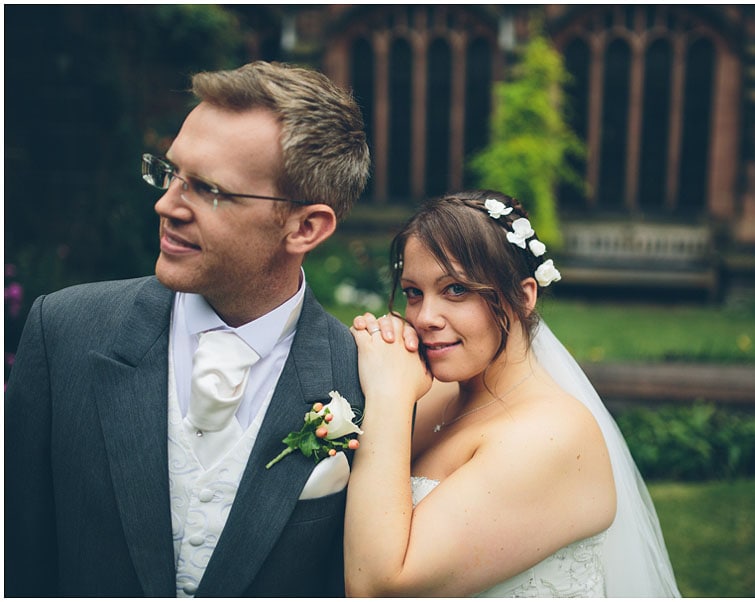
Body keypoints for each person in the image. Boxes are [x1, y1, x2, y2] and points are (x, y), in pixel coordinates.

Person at [5, 61, 372, 597]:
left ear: (305, 226)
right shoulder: (62, 332)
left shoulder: (366, 381)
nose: (165, 205)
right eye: (170, 173)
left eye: (208, 190)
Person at [345, 190, 680, 597]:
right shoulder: (432, 397)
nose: (424, 317)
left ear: (524, 296)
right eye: (413, 292)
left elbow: (379, 586)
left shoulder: (552, 437)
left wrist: (388, 396)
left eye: (455, 290)